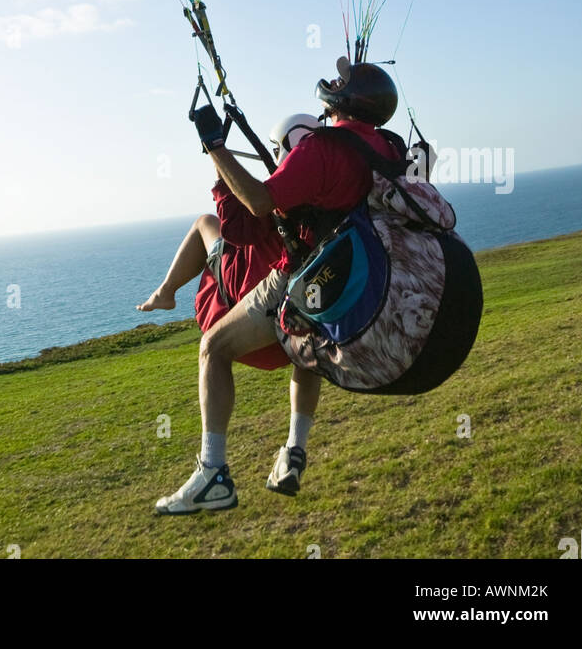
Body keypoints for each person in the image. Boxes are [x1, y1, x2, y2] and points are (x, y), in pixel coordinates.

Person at [155, 62, 405, 515]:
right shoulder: (386, 147)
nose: (333, 81)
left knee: (213, 348)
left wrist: (215, 147)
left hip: (300, 275)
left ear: (344, 102)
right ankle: (293, 451)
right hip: (348, 282)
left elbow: (257, 202)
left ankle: (213, 474)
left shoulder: (323, 151)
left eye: (341, 82)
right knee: (306, 352)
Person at [139, 114, 323, 498]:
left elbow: (238, 224)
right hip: (294, 330)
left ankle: (166, 291)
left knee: (206, 224)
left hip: (244, 307)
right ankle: (294, 449)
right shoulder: (330, 199)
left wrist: (217, 157)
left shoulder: (282, 201)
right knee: (310, 347)